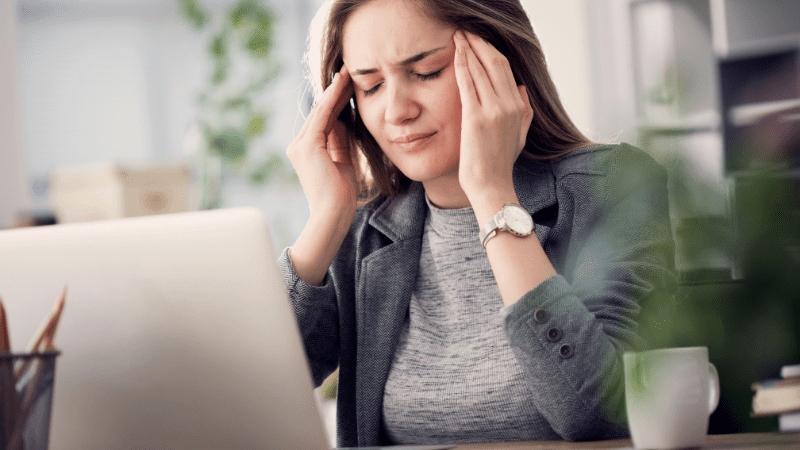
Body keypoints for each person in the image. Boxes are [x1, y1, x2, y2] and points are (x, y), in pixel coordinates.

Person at [279, 0, 676, 446]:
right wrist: (327, 219)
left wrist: (492, 194)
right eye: (370, 86)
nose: (396, 111)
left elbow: (601, 414)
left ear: (500, 65)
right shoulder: (364, 232)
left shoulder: (611, 185)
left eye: (427, 72)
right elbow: (260, 394)